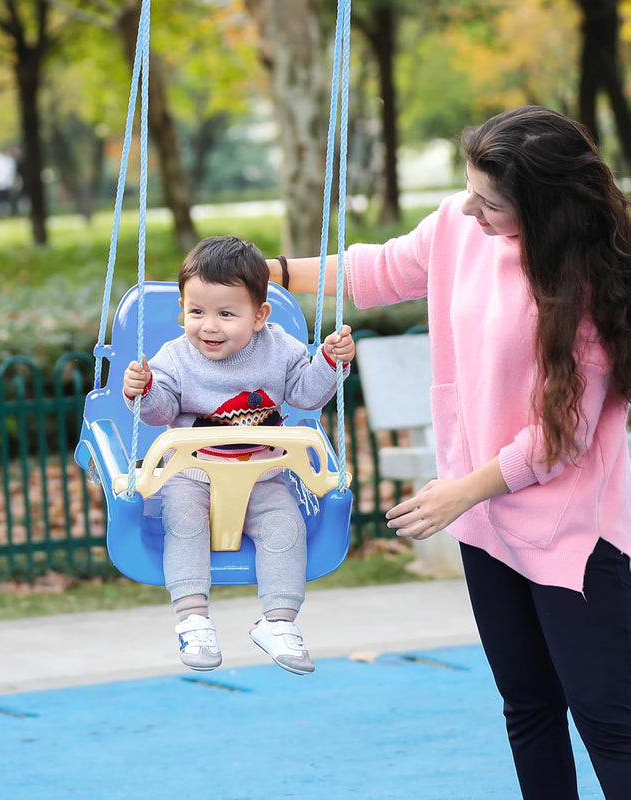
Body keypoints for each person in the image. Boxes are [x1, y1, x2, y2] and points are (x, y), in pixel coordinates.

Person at [268, 106, 631, 799]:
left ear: (543, 205)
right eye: (469, 189)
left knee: (609, 721)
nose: (469, 209)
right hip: (486, 524)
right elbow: (374, 271)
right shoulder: (458, 231)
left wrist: (462, 489)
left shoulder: (587, 281)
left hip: (573, 535)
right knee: (527, 709)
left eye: (490, 202)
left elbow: (562, 437)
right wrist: (270, 273)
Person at [122, 235, 355, 675]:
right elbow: (160, 413)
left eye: (226, 314)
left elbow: (306, 396)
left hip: (262, 474)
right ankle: (192, 617)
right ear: (183, 310)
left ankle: (279, 622)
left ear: (259, 316)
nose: (209, 326)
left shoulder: (280, 348)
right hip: (192, 473)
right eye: (196, 312)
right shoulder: (174, 357)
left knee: (286, 529)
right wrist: (144, 390)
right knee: (184, 523)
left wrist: (328, 361)